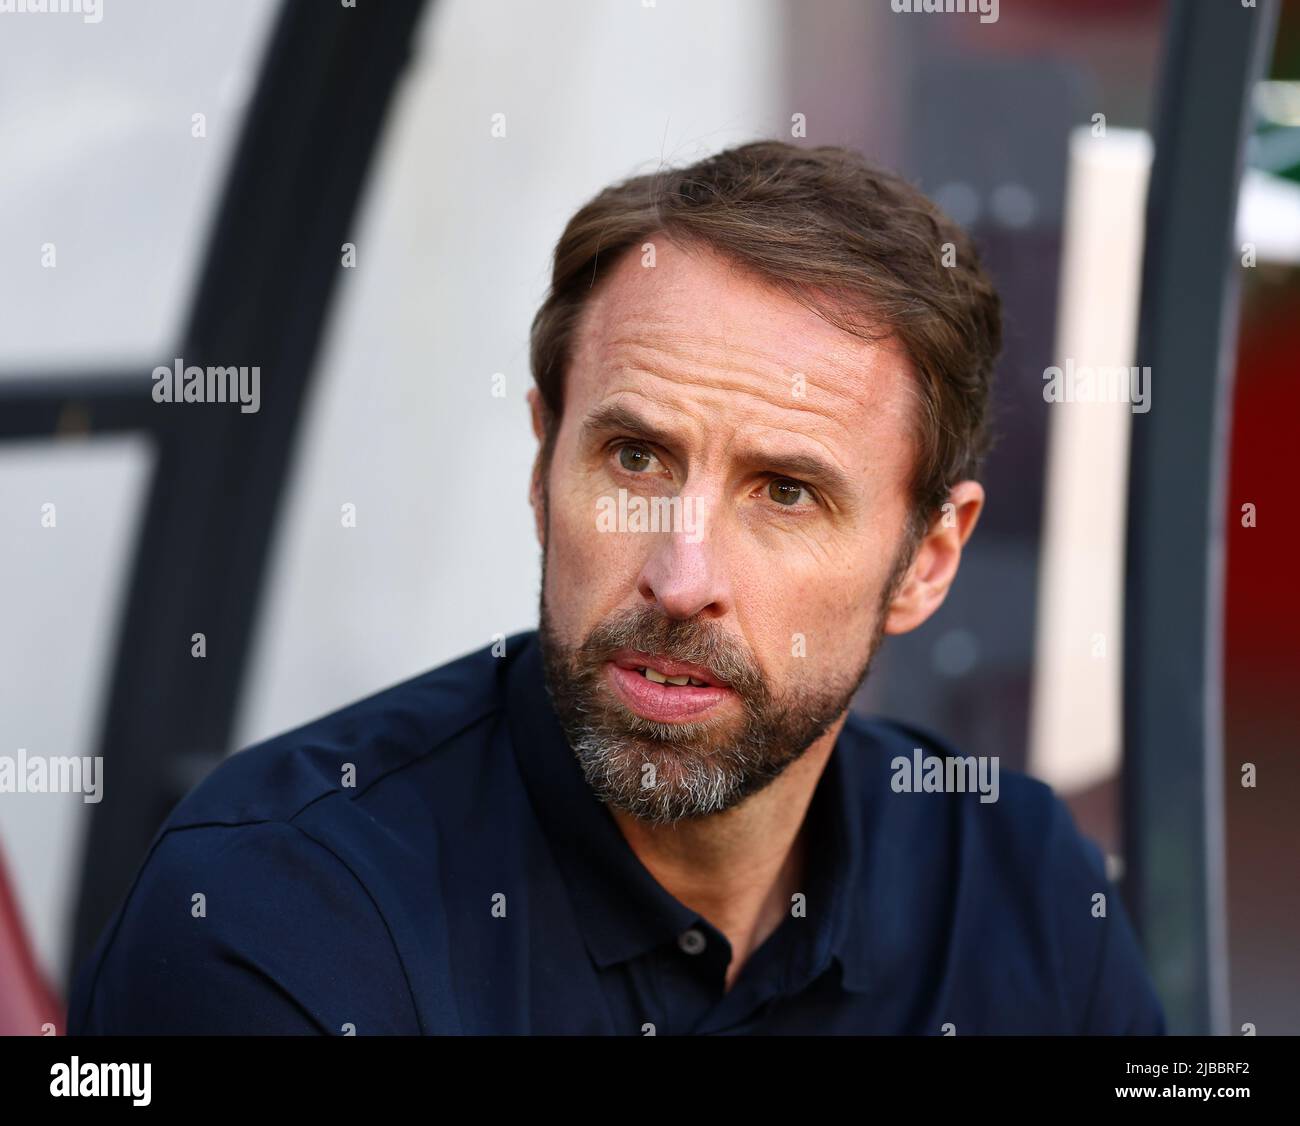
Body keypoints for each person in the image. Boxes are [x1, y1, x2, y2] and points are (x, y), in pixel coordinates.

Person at [67, 141, 1165, 1035]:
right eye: (635, 458)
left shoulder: (1016, 885)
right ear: (545, 466)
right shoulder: (277, 915)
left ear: (925, 559)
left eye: (785, 491)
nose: (680, 577)